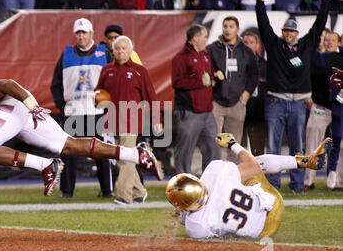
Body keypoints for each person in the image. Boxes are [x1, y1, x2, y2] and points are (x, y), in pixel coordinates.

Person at [0, 77, 164, 198]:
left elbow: (6, 84)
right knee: (68, 145)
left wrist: (30, 104)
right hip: (8, 115)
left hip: (14, 102)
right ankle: (137, 154)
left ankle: (45, 165)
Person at [166, 133, 332, 239]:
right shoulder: (215, 172)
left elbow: (200, 220)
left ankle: (310, 160)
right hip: (273, 206)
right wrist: (233, 144)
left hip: (263, 232)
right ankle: (307, 160)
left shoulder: (195, 227)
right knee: (255, 163)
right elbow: (253, 166)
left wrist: (183, 215)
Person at [255, 0, 330, 193]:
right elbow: (263, 24)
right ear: (283, 32)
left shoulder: (306, 45)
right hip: (275, 101)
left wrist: (325, 3)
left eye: (292, 31)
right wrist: (260, 1)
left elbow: (318, 26)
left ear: (297, 33)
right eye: (286, 30)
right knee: (273, 147)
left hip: (298, 103)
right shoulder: (273, 44)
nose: (289, 34)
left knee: (298, 147)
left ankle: (297, 185)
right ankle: (273, 185)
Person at [50, 18, 126, 198]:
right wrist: (63, 106)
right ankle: (67, 191)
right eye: (78, 33)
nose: (81, 36)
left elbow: (114, 81)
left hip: (96, 113)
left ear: (91, 34)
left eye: (84, 33)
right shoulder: (66, 54)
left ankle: (107, 190)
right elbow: (56, 84)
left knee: (102, 152)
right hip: (73, 113)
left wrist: (108, 107)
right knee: (69, 153)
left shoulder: (104, 53)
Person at [96, 35, 162, 205]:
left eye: (124, 48)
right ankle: (139, 191)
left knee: (126, 159)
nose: (120, 51)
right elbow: (98, 92)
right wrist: (96, 98)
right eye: (117, 48)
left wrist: (157, 118)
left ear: (131, 50)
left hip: (132, 120)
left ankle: (124, 197)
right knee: (119, 159)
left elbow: (151, 97)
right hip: (111, 120)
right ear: (113, 51)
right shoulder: (106, 70)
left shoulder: (140, 71)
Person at [171, 24, 223, 176]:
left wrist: (216, 76)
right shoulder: (180, 58)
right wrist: (201, 82)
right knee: (185, 150)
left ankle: (210, 181)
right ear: (195, 38)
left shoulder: (205, 55)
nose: (207, 39)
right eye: (204, 36)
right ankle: (181, 182)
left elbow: (209, 76)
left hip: (207, 112)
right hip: (189, 111)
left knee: (213, 148)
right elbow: (177, 82)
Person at [206, 16, 259, 164]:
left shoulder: (246, 51)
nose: (227, 29)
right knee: (212, 141)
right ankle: (212, 173)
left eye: (231, 26)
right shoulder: (212, 49)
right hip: (216, 101)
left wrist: (247, 92)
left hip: (237, 102)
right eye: (225, 26)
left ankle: (232, 176)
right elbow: (204, 69)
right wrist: (213, 74)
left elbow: (254, 74)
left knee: (234, 145)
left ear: (237, 29)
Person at [304, 31, 338, 191]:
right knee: (313, 143)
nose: (330, 42)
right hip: (320, 106)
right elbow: (304, 76)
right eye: (327, 40)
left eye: (333, 40)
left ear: (338, 43)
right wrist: (307, 94)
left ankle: (338, 181)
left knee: (341, 145)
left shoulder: (340, 59)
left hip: (339, 108)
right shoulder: (316, 58)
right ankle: (308, 181)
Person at [241, 31, 267, 157]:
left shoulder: (265, 65)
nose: (248, 45)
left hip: (258, 113)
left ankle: (257, 176)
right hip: (239, 111)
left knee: (258, 152)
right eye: (245, 42)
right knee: (237, 150)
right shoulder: (237, 63)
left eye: (251, 42)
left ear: (257, 45)